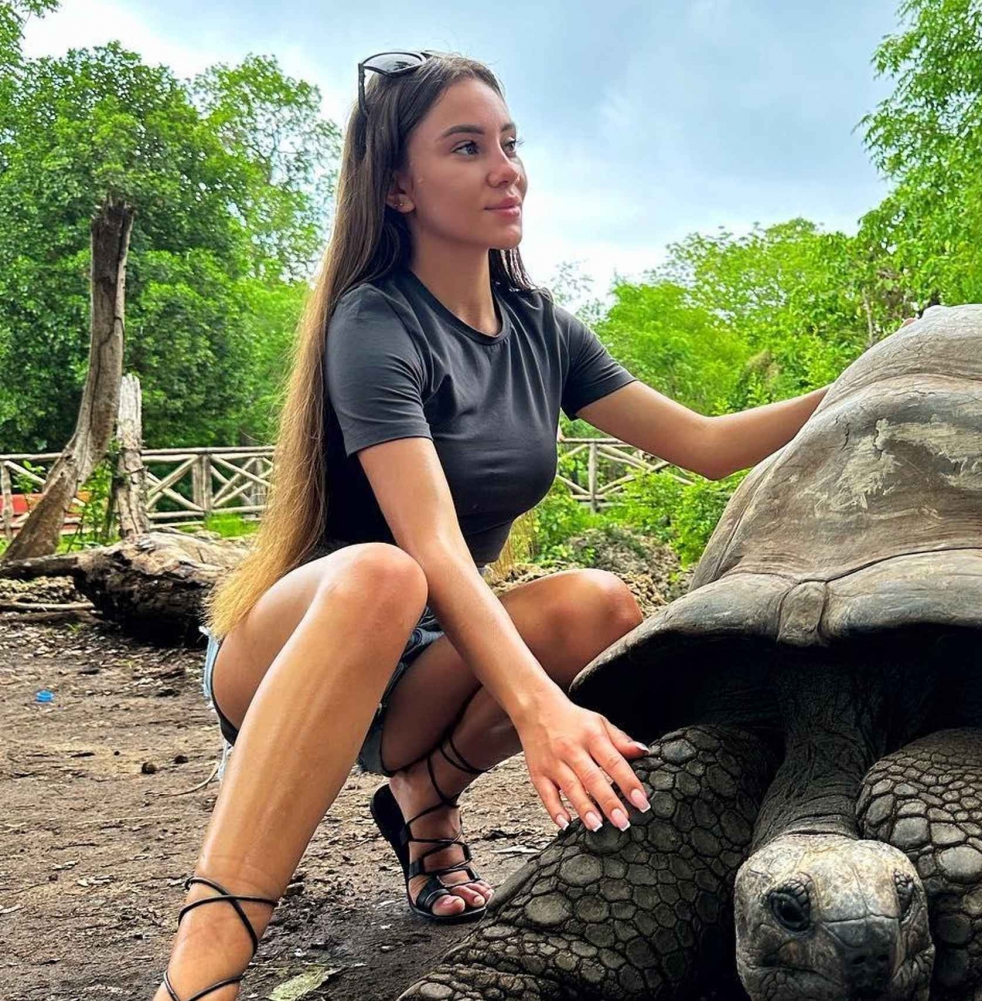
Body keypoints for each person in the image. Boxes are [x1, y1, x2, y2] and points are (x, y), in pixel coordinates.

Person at [154, 50, 837, 1001]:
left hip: (424, 673)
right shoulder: (375, 321)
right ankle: (199, 970)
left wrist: (873, 376)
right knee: (384, 573)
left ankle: (424, 801)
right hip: (296, 647)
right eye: (467, 147)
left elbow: (710, 443)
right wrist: (542, 711)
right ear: (397, 185)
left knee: (601, 605)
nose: (505, 168)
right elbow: (430, 546)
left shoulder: (540, 327)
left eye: (509, 144)